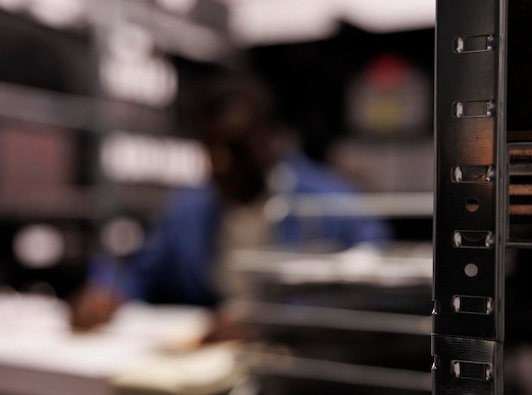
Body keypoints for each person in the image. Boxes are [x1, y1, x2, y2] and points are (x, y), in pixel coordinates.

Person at [70, 70, 392, 333]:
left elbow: (373, 285)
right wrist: (106, 292)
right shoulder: (188, 208)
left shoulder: (332, 203)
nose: (222, 163)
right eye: (211, 147)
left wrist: (274, 320)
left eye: (235, 147)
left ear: (270, 141)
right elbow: (140, 269)